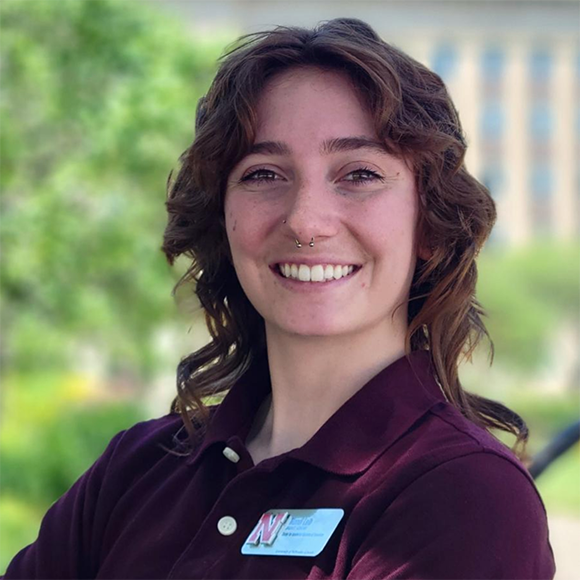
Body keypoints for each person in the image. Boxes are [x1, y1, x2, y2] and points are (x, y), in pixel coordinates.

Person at [2, 17, 556, 580]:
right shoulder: (137, 467)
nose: (305, 221)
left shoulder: (465, 497)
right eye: (264, 173)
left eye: (359, 173)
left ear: (430, 227)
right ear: (223, 221)